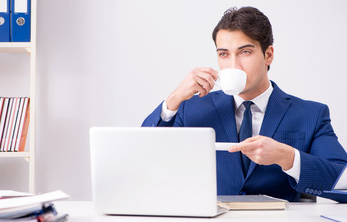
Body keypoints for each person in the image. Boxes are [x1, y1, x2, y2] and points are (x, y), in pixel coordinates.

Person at [142, 6, 347, 202]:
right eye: (224, 54)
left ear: (268, 55)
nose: (233, 65)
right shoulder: (192, 109)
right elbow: (145, 162)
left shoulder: (310, 114)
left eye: (245, 52)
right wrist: (173, 100)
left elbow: (343, 183)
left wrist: (288, 158)